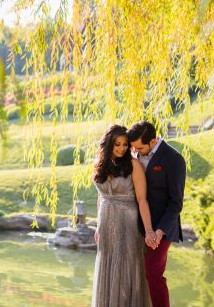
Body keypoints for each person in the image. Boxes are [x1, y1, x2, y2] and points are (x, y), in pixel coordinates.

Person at [91, 125, 154, 307]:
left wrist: (149, 231)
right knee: (107, 264)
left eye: (125, 145)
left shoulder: (133, 165)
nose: (121, 148)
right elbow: (101, 197)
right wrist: (98, 226)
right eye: (117, 144)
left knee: (128, 266)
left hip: (128, 224)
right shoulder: (100, 165)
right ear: (108, 144)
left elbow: (142, 200)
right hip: (106, 224)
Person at [127, 121, 186, 307]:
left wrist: (159, 231)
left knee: (153, 272)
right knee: (133, 270)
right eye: (133, 147)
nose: (135, 151)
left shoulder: (174, 159)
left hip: (162, 226)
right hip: (134, 222)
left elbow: (176, 203)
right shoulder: (133, 155)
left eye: (139, 147)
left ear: (153, 141)